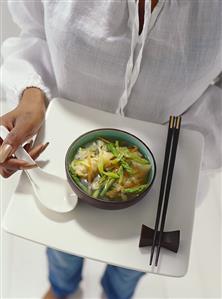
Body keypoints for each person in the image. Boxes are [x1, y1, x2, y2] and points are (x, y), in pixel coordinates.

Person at [0, 1, 221, 299]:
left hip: (166, 180)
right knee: (61, 244)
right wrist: (30, 93)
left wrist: (189, 143)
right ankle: (63, 288)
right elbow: (34, 31)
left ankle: (116, 295)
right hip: (65, 162)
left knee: (134, 263)